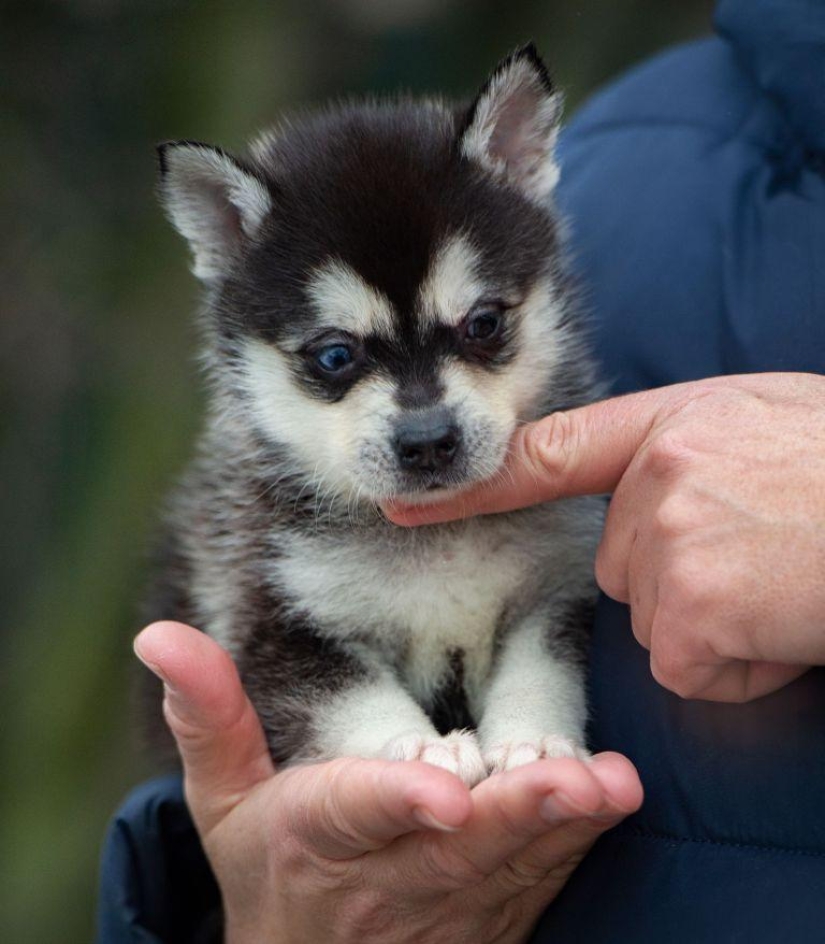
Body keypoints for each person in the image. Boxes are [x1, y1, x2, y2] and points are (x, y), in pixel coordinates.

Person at [96, 0, 825, 940]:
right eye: (334, 360)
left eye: (481, 331)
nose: (423, 421)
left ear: (524, 164)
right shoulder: (649, 156)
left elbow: (560, 608)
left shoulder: (627, 192)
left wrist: (532, 720)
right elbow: (280, 692)